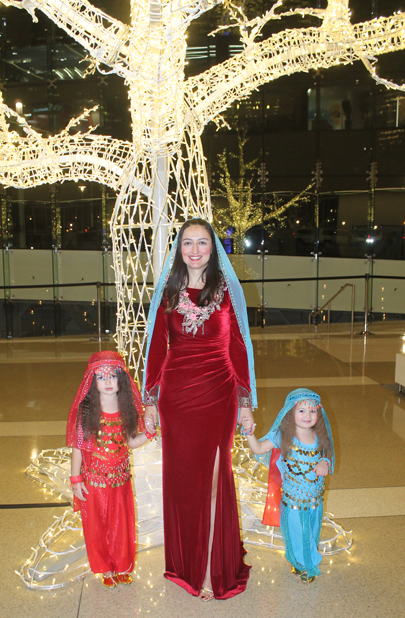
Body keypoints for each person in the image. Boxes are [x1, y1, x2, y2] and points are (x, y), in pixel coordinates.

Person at [142, 218, 258, 601]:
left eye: (202, 243)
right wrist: (151, 403)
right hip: (177, 396)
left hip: (219, 393)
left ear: (213, 248)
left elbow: (239, 348)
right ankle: (186, 560)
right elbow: (158, 349)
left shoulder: (227, 293)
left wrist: (245, 404)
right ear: (179, 249)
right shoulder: (169, 292)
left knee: (213, 477)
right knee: (182, 480)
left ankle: (210, 568)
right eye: (187, 243)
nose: (194, 250)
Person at [66, 351, 156, 588]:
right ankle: (105, 568)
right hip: (94, 482)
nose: (107, 382)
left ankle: (122, 565)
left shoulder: (127, 410)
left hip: (120, 481)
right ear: (92, 381)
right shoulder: (87, 412)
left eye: (112, 376)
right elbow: (78, 446)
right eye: (101, 377)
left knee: (122, 525)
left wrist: (148, 433)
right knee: (97, 526)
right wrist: (76, 478)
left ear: (122, 380)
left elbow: (131, 442)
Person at [243, 388, 334, 582]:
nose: (307, 415)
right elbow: (258, 449)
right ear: (290, 413)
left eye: (312, 411)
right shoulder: (282, 437)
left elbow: (327, 455)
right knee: (296, 532)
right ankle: (300, 563)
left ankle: (309, 558)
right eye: (302, 411)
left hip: (315, 501)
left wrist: (324, 463)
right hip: (293, 501)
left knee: (311, 531)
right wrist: (249, 432)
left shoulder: (320, 437)